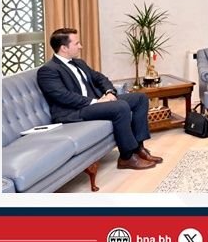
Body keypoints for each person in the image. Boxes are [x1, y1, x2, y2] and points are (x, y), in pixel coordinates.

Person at [37, 28, 162, 170]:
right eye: (77, 43)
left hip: (94, 104)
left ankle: (139, 148)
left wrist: (109, 92)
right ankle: (126, 157)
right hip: (75, 111)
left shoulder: (79, 63)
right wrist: (96, 101)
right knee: (120, 106)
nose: (80, 46)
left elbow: (100, 78)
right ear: (64, 48)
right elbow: (63, 96)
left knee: (140, 98)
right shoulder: (48, 70)